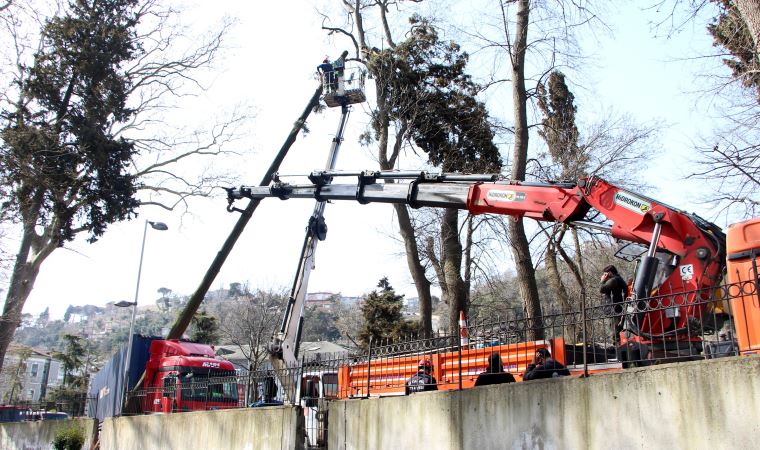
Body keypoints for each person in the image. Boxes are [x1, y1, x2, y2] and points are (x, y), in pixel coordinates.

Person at [600, 264, 628, 343]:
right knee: (617, 330)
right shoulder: (619, 279)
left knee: (615, 332)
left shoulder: (613, 280)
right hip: (618, 307)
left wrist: (602, 281)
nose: (603, 275)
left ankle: (617, 347)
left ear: (609, 273)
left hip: (614, 309)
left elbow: (602, 289)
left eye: (604, 274)